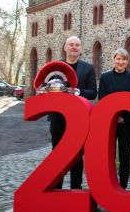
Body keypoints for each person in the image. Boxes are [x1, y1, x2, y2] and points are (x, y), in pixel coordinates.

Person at [48, 36, 97, 189]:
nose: (74, 47)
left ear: (80, 48)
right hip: (58, 118)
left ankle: (76, 188)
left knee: (77, 155)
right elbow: (47, 89)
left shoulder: (88, 68)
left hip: (79, 118)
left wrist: (78, 91)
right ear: (65, 48)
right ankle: (56, 187)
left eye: (77, 45)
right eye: (71, 45)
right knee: (57, 154)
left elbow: (93, 93)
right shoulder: (55, 68)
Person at [97, 48, 130, 190]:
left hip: (127, 123)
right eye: (118, 59)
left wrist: (123, 117)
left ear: (127, 62)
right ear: (114, 60)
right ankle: (109, 185)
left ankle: (123, 186)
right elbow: (102, 98)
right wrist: (115, 116)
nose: (121, 62)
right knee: (109, 155)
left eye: (124, 59)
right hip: (110, 122)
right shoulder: (105, 77)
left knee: (124, 156)